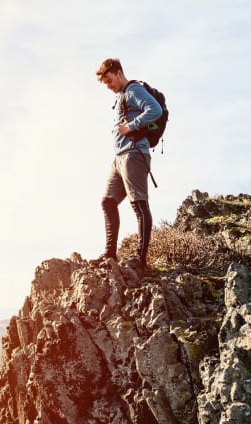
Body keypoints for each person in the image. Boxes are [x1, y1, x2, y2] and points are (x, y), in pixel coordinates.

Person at [93, 58, 162, 270]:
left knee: (139, 204)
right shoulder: (122, 96)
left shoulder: (133, 90)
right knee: (107, 201)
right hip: (119, 157)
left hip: (134, 154)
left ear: (119, 72)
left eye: (108, 80)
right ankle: (109, 254)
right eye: (104, 82)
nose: (108, 85)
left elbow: (155, 110)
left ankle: (140, 259)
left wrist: (131, 126)